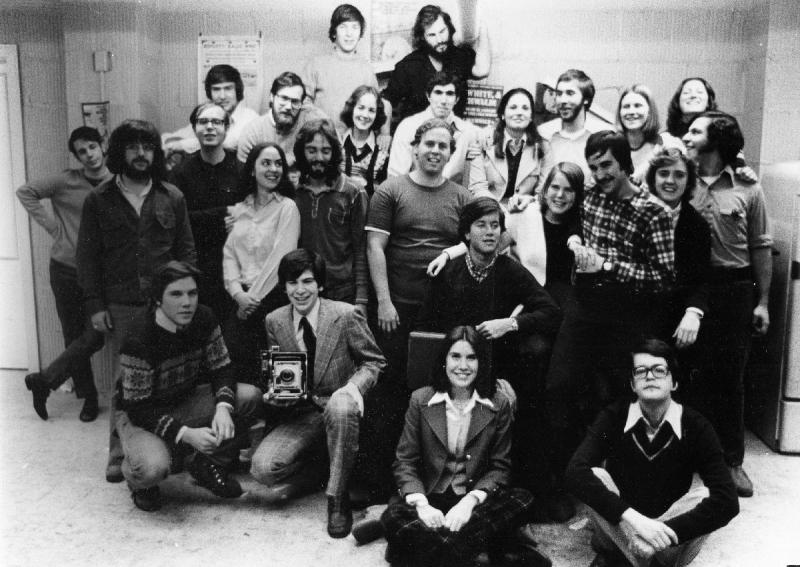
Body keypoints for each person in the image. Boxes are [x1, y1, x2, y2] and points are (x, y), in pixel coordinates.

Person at [544, 131, 675, 521]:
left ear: (625, 165)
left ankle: (623, 492)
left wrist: (609, 266)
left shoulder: (654, 211)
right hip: (584, 306)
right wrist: (574, 245)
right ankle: (560, 485)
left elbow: (665, 278)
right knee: (557, 387)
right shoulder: (590, 196)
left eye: (606, 166)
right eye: (594, 165)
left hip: (627, 312)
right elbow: (567, 223)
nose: (599, 174)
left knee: (622, 398)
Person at [76, 119, 197, 482]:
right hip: (122, 305)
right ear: (119, 152)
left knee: (167, 377)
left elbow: (186, 251)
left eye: (147, 147)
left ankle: (163, 445)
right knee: (122, 382)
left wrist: (181, 298)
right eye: (133, 147)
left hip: (164, 307)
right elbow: (87, 257)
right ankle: (117, 452)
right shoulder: (99, 199)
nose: (141, 154)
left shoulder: (171, 196)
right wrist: (95, 305)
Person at [416, 197, 561, 498]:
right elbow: (427, 328)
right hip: (454, 371)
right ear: (466, 233)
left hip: (497, 369)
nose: (490, 232)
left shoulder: (510, 270)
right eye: (481, 225)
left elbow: (551, 312)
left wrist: (509, 324)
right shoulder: (448, 272)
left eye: (495, 225)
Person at [364, 117, 471, 497]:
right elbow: (375, 247)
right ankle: (379, 481)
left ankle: (429, 481)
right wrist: (384, 302)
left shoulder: (461, 197)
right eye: (430, 144)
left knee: (435, 395)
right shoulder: (390, 191)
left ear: (450, 153)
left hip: (443, 315)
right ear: (414, 147)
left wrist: (453, 249)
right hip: (396, 311)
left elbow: (496, 234)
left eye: (443, 146)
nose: (436, 151)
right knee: (389, 392)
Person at [566, 338, 739, 567]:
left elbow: (728, 501)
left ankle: (626, 560)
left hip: (668, 543)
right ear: (632, 385)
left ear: (674, 383)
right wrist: (635, 521)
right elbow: (574, 471)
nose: (649, 376)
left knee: (708, 496)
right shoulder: (614, 417)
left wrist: (659, 535)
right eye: (640, 371)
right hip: (620, 526)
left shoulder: (696, 425)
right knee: (594, 476)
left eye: (659, 370)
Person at [250, 249, 386, 538]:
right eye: (292, 283)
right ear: (284, 287)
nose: (300, 291)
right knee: (263, 469)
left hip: (341, 409)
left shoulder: (345, 315)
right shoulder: (275, 321)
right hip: (302, 412)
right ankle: (322, 468)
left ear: (320, 284)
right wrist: (275, 393)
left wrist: (351, 389)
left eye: (307, 281)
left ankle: (337, 499)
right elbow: (281, 372)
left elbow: (374, 362)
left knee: (340, 405)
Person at [380, 326, 542, 567]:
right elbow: (405, 461)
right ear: (444, 360)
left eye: (471, 357)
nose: (463, 366)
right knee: (392, 516)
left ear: (481, 362)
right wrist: (422, 506)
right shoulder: (420, 399)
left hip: (473, 502)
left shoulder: (498, 404)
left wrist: (468, 504)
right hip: (432, 497)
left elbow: (500, 467)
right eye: (455, 356)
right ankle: (483, 550)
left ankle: (412, 550)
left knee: (523, 499)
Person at [116, 261, 261, 512]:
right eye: (176, 294)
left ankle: (208, 464)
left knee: (249, 397)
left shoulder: (203, 317)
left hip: (185, 400)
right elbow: (138, 408)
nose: (187, 302)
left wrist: (223, 407)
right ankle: (139, 481)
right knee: (152, 469)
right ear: (158, 299)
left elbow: (222, 367)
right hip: (140, 416)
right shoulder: (139, 336)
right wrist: (185, 434)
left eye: (192, 293)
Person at [684, 111, 772, 498]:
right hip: (688, 290)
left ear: (717, 141)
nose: (687, 135)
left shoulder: (748, 189)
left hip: (734, 289)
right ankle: (686, 457)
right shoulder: (678, 179)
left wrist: (763, 302)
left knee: (730, 378)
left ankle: (731, 461)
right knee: (686, 373)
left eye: (695, 131)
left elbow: (761, 247)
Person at [18, 126, 111, 422]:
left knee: (95, 335)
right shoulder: (66, 181)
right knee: (73, 336)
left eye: (92, 147)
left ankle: (44, 380)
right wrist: (52, 226)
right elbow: (26, 191)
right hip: (64, 270)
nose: (89, 155)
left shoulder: (116, 183)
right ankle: (89, 399)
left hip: (99, 273)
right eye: (82, 152)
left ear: (102, 146)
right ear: (76, 157)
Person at [432, 161, 585, 308]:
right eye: (555, 187)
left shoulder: (585, 223)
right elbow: (487, 241)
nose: (560, 195)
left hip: (569, 303)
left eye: (568, 190)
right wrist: (448, 255)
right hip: (528, 302)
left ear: (577, 194)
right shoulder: (526, 214)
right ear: (545, 190)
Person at [222, 142, 300, 384]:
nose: (273, 169)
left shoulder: (287, 207)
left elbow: (281, 259)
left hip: (273, 299)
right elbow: (229, 256)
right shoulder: (239, 208)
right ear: (253, 170)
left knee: (281, 376)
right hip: (241, 300)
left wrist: (251, 300)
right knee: (246, 374)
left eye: (278, 164)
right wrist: (238, 295)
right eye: (266, 163)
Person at [169, 102, 244, 322]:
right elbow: (179, 222)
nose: (210, 127)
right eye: (203, 122)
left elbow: (249, 216)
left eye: (217, 122)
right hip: (197, 267)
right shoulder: (180, 173)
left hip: (235, 268)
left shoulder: (241, 170)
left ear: (226, 128)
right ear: (194, 129)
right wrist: (223, 215)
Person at [293, 119, 369, 309]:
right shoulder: (292, 192)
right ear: (302, 152)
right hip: (300, 291)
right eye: (311, 150)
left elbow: (361, 249)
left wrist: (361, 300)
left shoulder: (353, 192)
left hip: (342, 293)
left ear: (334, 152)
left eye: (325, 151)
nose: (319, 157)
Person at [644, 148, 711, 357]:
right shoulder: (632, 212)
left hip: (674, 319)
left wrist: (693, 313)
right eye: (663, 173)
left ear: (689, 180)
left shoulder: (697, 225)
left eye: (679, 175)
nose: (670, 181)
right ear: (653, 177)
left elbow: (700, 278)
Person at [382, 4, 490, 130]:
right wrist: (385, 134)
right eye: (432, 35)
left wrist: (482, 29)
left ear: (449, 28)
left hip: (453, 135)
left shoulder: (460, 56)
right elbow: (387, 100)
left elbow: (482, 70)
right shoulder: (409, 65)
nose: (439, 39)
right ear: (422, 38)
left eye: (442, 31)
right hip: (418, 138)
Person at [302, 4, 389, 134]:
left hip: (357, 141)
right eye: (343, 27)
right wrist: (324, 124)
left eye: (355, 27)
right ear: (334, 32)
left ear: (360, 32)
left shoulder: (366, 68)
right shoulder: (316, 64)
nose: (349, 34)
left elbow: (378, 106)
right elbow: (303, 103)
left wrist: (384, 134)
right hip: (322, 138)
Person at [388, 71, 479, 185]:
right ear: (428, 96)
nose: (444, 101)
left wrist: (484, 146)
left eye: (449, 94)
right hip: (414, 195)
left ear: (457, 99)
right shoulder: (408, 126)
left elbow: (489, 137)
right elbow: (396, 177)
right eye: (438, 92)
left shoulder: (467, 131)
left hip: (451, 198)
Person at [470, 87, 554, 206]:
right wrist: (497, 209)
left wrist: (530, 201)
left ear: (531, 117)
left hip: (525, 211)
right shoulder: (483, 139)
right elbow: (478, 187)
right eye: (513, 107)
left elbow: (544, 192)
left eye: (525, 108)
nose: (519, 112)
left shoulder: (543, 146)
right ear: (502, 114)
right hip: (488, 209)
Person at [162, 64, 259, 156]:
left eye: (228, 89)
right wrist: (168, 144)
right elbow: (175, 136)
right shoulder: (209, 114)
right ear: (210, 93)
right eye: (216, 89)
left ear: (237, 91)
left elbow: (226, 143)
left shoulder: (250, 117)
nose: (222, 96)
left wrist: (179, 146)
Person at [236, 71, 327, 163]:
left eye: (295, 101)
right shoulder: (252, 132)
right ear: (272, 97)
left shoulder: (312, 123)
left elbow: (337, 158)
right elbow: (245, 174)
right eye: (284, 98)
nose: (288, 107)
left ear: (302, 103)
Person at [537, 69, 608, 178]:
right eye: (559, 94)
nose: (563, 100)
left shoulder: (603, 134)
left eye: (570, 93)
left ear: (586, 99)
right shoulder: (543, 133)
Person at [615, 84, 681, 181]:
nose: (631, 111)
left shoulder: (665, 143)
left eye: (637, 106)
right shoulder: (611, 145)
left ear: (650, 111)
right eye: (626, 106)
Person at [339, 85, 389, 196]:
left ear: (377, 114)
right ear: (352, 109)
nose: (365, 115)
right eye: (361, 108)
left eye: (371, 110)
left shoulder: (383, 150)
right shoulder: (337, 143)